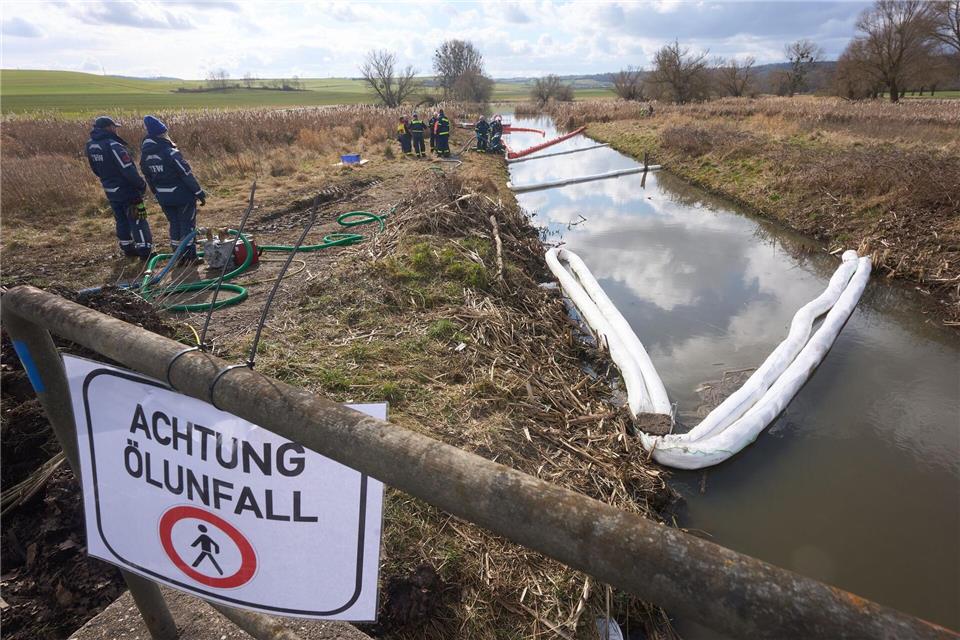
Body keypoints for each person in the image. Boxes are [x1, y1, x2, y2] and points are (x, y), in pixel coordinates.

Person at [85, 115, 153, 258]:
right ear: (108, 128)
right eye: (114, 127)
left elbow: (95, 168)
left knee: (121, 219)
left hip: (110, 189)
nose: (116, 129)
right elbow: (127, 169)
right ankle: (145, 251)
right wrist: (141, 185)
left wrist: (107, 181)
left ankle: (127, 248)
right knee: (138, 219)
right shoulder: (114, 145)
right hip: (127, 190)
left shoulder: (91, 145)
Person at [140, 115, 206, 262]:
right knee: (187, 225)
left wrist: (157, 194)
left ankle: (178, 256)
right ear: (161, 134)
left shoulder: (145, 155)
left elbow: (148, 177)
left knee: (174, 224)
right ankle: (190, 257)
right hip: (182, 195)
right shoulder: (170, 152)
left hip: (164, 197)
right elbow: (185, 174)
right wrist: (199, 192)